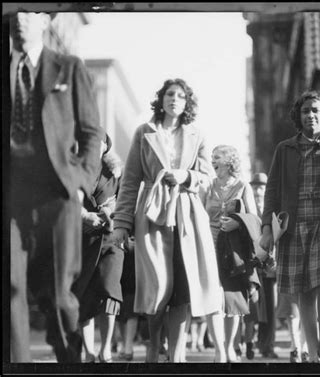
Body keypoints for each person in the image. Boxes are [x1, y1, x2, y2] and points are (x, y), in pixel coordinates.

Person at [8, 12, 104, 362]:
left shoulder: (68, 67)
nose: (20, 19)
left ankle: (71, 361)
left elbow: (92, 133)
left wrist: (81, 185)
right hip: (13, 198)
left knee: (59, 294)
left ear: (44, 21)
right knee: (11, 290)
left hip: (57, 195)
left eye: (29, 12)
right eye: (14, 12)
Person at [111, 78, 226, 362]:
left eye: (180, 96)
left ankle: (176, 355)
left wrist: (186, 176)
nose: (174, 99)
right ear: (161, 100)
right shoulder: (144, 132)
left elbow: (209, 178)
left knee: (183, 286)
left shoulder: (196, 135)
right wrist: (121, 224)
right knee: (157, 285)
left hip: (187, 215)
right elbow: (129, 182)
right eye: (169, 94)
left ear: (187, 103)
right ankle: (153, 345)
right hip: (151, 214)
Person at [260, 90, 320, 363]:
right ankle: (312, 353)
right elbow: (272, 190)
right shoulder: (284, 148)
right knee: (304, 291)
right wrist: (267, 227)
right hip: (295, 224)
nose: (310, 115)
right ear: (298, 117)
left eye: (315, 110)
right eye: (305, 111)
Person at [202, 144, 261, 362]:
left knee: (232, 299)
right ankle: (219, 349)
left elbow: (255, 219)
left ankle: (230, 348)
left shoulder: (243, 186)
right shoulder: (208, 186)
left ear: (229, 162)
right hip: (210, 247)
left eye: (217, 157)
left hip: (234, 252)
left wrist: (237, 223)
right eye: (212, 157)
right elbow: (199, 214)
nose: (213, 160)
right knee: (213, 298)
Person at [71, 135, 124, 363]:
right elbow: (65, 200)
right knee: (84, 293)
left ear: (106, 145)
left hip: (111, 238)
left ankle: (106, 349)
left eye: (100, 140)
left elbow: (126, 201)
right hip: (81, 239)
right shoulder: (73, 168)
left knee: (110, 290)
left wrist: (112, 209)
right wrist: (85, 216)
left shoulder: (115, 172)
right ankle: (89, 351)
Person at [250, 172, 279, 360]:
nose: (258, 191)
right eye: (255, 187)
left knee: (271, 308)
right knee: (252, 308)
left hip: (269, 267)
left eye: (261, 187)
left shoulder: (273, 211)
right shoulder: (248, 209)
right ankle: (248, 344)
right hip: (252, 266)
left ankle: (268, 345)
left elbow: (278, 235)